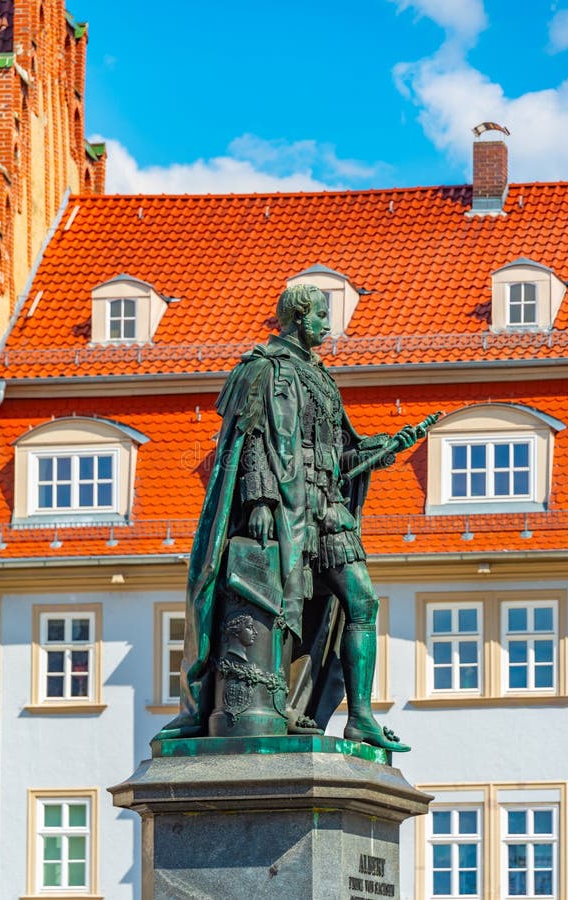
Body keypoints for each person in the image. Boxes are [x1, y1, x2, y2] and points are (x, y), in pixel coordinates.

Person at [159, 283, 418, 750]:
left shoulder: (320, 375)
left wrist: (373, 450)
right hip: (285, 503)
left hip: (327, 502)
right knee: (285, 604)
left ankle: (360, 716)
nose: (327, 325)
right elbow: (250, 435)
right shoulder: (264, 367)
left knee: (361, 601)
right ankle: (279, 706)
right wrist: (258, 501)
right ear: (299, 318)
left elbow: (337, 446)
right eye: (321, 316)